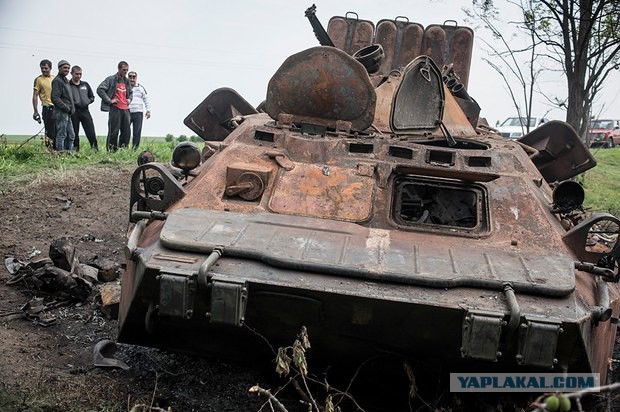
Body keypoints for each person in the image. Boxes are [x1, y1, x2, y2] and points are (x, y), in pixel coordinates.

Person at [97, 61, 132, 152]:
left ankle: (123, 150)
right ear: (119, 69)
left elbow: (131, 93)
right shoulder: (111, 79)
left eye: (127, 70)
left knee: (126, 132)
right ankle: (112, 151)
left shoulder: (127, 81)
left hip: (125, 109)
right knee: (114, 131)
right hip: (115, 108)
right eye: (124, 70)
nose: (125, 72)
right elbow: (100, 89)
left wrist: (129, 99)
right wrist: (109, 100)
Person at [69, 65, 98, 151]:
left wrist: (88, 101)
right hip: (74, 111)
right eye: (76, 74)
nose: (78, 76)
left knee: (91, 131)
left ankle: (95, 149)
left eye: (80, 74)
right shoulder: (68, 85)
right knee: (74, 132)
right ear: (72, 73)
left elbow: (92, 96)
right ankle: (75, 150)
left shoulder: (85, 84)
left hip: (85, 110)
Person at [51, 60, 76, 151]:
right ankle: (60, 154)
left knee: (71, 135)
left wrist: (72, 108)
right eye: (65, 67)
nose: (67, 70)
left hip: (67, 112)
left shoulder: (66, 81)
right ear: (59, 68)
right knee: (62, 134)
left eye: (68, 68)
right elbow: (55, 98)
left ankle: (68, 153)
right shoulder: (57, 81)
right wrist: (66, 108)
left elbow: (69, 97)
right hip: (61, 112)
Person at [32, 59, 55, 148]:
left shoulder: (54, 78)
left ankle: (57, 151)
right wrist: (35, 111)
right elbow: (35, 95)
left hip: (56, 108)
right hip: (47, 108)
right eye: (42, 68)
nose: (44, 70)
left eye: (46, 68)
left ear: (50, 68)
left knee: (57, 130)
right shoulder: (39, 79)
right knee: (49, 131)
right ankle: (49, 151)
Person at [127, 71, 151, 150]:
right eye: (130, 77)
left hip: (138, 112)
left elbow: (146, 99)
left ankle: (134, 149)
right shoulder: (125, 86)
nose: (132, 79)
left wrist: (148, 110)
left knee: (137, 132)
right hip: (127, 112)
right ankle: (124, 147)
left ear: (136, 78)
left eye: (134, 77)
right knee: (125, 131)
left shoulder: (141, 88)